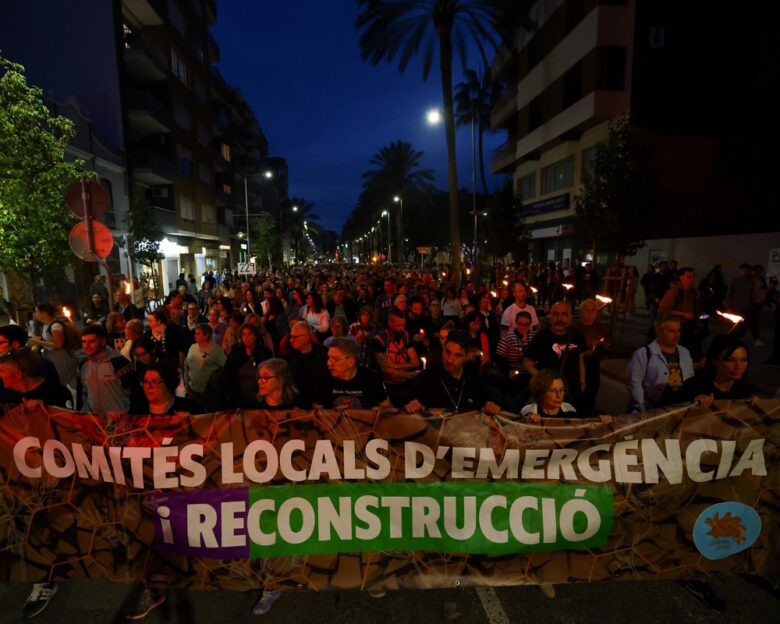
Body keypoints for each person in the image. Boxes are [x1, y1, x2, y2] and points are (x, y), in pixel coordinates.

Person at [405, 330, 500, 414]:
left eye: (458, 355)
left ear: (466, 357)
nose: (450, 360)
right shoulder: (425, 378)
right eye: (447, 352)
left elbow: (488, 401)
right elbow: (411, 406)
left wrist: (490, 406)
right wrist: (415, 406)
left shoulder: (474, 379)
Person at [523, 301, 587, 411]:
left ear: (571, 317)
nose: (559, 318)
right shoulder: (541, 337)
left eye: (564, 314)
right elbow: (527, 364)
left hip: (573, 390)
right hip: (550, 394)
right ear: (550, 316)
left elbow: (580, 360)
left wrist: (582, 382)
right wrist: (545, 381)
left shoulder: (578, 335)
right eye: (556, 314)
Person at [626, 315, 695, 412]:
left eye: (679, 331)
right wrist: (643, 406)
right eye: (672, 331)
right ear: (659, 331)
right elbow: (634, 383)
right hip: (650, 409)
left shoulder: (684, 352)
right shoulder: (643, 354)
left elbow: (689, 378)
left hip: (677, 408)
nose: (677, 335)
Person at [77, 324, 139, 413]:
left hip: (119, 421)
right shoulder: (83, 364)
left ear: (103, 341)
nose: (86, 346)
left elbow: (135, 392)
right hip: (94, 421)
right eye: (83, 342)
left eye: (91, 341)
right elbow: (81, 394)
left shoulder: (118, 363)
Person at [369, 307, 419, 407]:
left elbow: (415, 362)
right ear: (390, 323)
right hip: (386, 387)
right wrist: (410, 375)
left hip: (404, 386)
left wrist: (395, 366)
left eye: (403, 325)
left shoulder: (405, 335)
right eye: (399, 325)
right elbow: (387, 371)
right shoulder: (378, 341)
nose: (402, 328)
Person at [322, 337, 389, 409]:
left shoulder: (370, 377)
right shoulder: (323, 378)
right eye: (329, 358)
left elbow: (386, 407)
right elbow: (317, 412)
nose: (329, 363)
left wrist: (380, 411)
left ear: (351, 362)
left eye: (335, 359)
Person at [690, 335, 758, 406]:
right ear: (715, 361)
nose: (738, 366)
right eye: (730, 360)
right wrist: (694, 402)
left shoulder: (743, 389)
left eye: (744, 360)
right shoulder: (694, 386)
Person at [29, 302, 79, 392]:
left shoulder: (55, 326)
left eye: (37, 312)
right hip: (55, 359)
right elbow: (49, 340)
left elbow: (58, 344)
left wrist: (38, 341)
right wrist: (39, 339)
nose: (35, 314)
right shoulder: (46, 324)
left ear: (44, 312)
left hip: (62, 359)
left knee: (71, 382)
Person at [0, 348, 72, 408]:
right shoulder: (7, 395)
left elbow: (71, 423)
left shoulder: (59, 394)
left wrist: (45, 410)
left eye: (1, 371)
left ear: (17, 375)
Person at [659, 267, 703, 363]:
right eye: (689, 277)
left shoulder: (693, 292)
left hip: (689, 326)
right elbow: (663, 309)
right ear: (681, 277)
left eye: (693, 277)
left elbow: (695, 308)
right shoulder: (674, 291)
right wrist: (683, 314)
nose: (692, 279)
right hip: (677, 327)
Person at [573, 299, 609, 416]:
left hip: (593, 368)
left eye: (593, 310)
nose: (590, 313)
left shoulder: (600, 328)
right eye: (587, 310)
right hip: (576, 367)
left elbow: (608, 345)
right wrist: (583, 352)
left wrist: (601, 346)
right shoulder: (574, 327)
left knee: (590, 394)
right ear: (581, 311)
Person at [223, 323, 273, 408]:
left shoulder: (264, 352)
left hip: (260, 397)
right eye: (244, 335)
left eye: (250, 334)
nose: (247, 337)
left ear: (255, 336)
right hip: (239, 398)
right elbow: (227, 375)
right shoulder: (235, 353)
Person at [130, 360, 202, 416]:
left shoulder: (190, 408)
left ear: (169, 383)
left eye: (154, 381)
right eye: (145, 381)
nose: (148, 386)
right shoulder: (137, 410)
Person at [284, 321, 329, 408]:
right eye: (291, 336)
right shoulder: (290, 356)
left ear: (307, 337)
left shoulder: (323, 354)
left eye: (295, 337)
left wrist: (319, 401)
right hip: (297, 404)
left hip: (320, 403)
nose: (290, 340)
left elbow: (326, 380)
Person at [495, 310, 533, 413]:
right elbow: (500, 358)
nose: (523, 327)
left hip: (530, 375)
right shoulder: (508, 338)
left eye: (526, 324)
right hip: (514, 376)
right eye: (521, 324)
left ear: (530, 324)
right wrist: (508, 371)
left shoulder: (534, 337)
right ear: (516, 323)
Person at [183, 323, 226, 411]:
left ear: (206, 335)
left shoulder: (216, 349)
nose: (195, 335)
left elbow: (224, 366)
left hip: (210, 390)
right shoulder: (192, 347)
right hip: (194, 389)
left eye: (198, 333)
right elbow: (187, 364)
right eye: (195, 333)